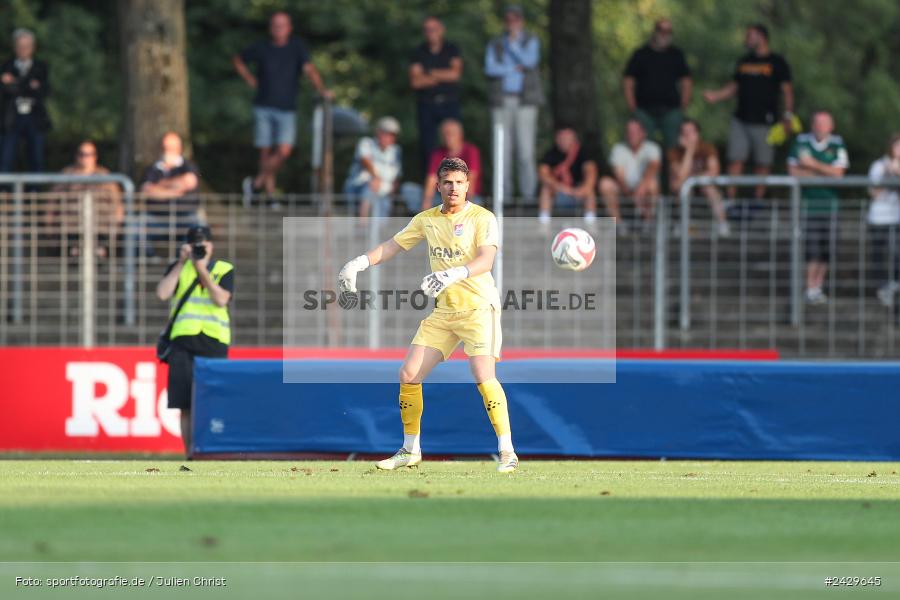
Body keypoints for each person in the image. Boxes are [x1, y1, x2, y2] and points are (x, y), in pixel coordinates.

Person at [338, 157, 517, 473]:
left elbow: (486, 260)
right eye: (447, 182)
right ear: (438, 186)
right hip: (445, 311)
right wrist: (359, 264)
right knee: (408, 374)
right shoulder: (427, 219)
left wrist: (454, 274)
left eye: (459, 182)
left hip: (478, 308)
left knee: (482, 374)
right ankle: (410, 449)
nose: (453, 188)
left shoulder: (482, 217)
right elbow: (392, 246)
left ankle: (507, 451)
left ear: (468, 185)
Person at [233, 11, 333, 203]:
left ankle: (255, 184)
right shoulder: (261, 47)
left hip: (287, 108)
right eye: (275, 25)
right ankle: (269, 196)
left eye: (282, 25)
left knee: (283, 151)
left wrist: (321, 90)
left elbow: (309, 70)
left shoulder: (296, 47)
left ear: (289, 28)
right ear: (271, 28)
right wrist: (249, 79)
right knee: (265, 153)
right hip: (263, 105)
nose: (279, 29)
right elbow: (238, 60)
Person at [155, 225, 234, 457]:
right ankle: (190, 454)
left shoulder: (223, 268)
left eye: (203, 243)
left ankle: (212, 450)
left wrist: (202, 270)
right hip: (183, 342)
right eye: (194, 243)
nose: (200, 247)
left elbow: (221, 299)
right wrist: (181, 263)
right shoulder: (180, 268)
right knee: (185, 404)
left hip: (213, 341)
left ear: (211, 245)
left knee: (214, 402)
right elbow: (162, 293)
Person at [703, 24, 794, 201]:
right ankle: (731, 201)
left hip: (766, 122)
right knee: (735, 159)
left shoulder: (777, 62)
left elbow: (787, 91)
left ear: (761, 37)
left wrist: (788, 116)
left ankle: (757, 203)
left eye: (750, 35)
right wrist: (716, 95)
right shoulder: (744, 61)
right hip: (741, 119)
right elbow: (734, 86)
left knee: (763, 163)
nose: (746, 39)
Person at [787, 112, 848, 305]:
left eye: (825, 123)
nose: (821, 127)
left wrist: (812, 164)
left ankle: (817, 286)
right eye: (818, 123)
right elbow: (794, 172)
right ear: (812, 125)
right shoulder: (802, 141)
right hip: (808, 207)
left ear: (831, 126)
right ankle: (810, 287)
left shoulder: (837, 144)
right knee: (811, 250)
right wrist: (824, 172)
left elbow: (838, 174)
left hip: (830, 207)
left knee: (828, 250)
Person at [485, 5, 544, 202]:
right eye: (509, 20)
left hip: (525, 102)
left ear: (522, 21)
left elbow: (530, 62)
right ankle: (504, 198)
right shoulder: (495, 43)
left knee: (526, 151)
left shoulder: (531, 40)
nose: (512, 23)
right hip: (501, 102)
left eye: (516, 19)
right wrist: (514, 67)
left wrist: (512, 47)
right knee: (502, 152)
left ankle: (529, 198)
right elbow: (491, 68)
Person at [623, 18, 691, 151]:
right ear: (654, 31)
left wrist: (682, 107)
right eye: (661, 30)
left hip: (671, 110)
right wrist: (633, 108)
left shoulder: (677, 55)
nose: (665, 33)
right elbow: (628, 82)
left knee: (674, 149)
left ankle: (674, 172)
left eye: (669, 31)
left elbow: (686, 82)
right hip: (644, 111)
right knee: (644, 149)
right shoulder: (640, 54)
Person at [51, 141, 123, 258]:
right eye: (82, 154)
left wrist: (116, 229)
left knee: (99, 253)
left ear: (95, 156)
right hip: (72, 227)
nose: (85, 158)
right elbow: (52, 202)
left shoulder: (105, 176)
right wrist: (50, 228)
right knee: (73, 253)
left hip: (100, 227)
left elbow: (117, 203)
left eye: (89, 154)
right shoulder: (66, 174)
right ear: (76, 156)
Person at [410, 16, 463, 175]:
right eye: (427, 29)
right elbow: (416, 82)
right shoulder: (418, 52)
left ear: (441, 30)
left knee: (453, 144)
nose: (430, 32)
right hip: (427, 104)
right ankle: (432, 186)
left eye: (434, 29)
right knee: (428, 147)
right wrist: (443, 75)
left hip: (449, 103)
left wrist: (430, 73)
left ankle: (456, 179)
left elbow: (455, 75)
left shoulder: (451, 48)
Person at [403, 119, 481, 213]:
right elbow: (431, 179)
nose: (447, 137)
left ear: (460, 135)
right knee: (408, 189)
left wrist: (465, 208)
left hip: (465, 197)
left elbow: (471, 179)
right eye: (444, 134)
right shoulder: (437, 153)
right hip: (441, 196)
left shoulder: (471, 151)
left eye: (450, 134)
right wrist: (426, 204)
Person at [668, 119, 730, 237]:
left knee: (710, 188)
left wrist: (692, 179)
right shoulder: (674, 152)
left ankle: (723, 224)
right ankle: (681, 223)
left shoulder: (707, 148)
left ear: (698, 134)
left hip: (702, 185)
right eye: (684, 132)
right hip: (682, 188)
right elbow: (680, 176)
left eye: (690, 132)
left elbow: (714, 172)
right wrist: (689, 151)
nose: (687, 135)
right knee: (683, 188)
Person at [0, 28, 50, 173]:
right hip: (11, 119)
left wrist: (16, 84)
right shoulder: (6, 66)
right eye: (20, 46)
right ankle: (4, 193)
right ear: (15, 47)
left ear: (33, 47)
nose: (23, 50)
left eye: (27, 46)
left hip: (34, 118)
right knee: (6, 158)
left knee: (36, 158)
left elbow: (44, 90)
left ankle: (34, 193)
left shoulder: (41, 67)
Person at [599, 118, 661, 231]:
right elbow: (619, 176)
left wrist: (640, 190)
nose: (632, 135)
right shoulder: (618, 148)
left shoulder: (652, 148)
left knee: (652, 184)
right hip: (624, 189)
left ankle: (648, 224)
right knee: (605, 184)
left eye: (635, 132)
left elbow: (652, 169)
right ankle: (618, 225)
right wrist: (630, 194)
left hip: (643, 188)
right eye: (629, 132)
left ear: (643, 133)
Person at [140, 132, 201, 243]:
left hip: (185, 217)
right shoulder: (152, 168)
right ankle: (151, 259)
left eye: (172, 147)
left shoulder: (188, 166)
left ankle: (183, 260)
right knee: (136, 225)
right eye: (165, 147)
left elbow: (188, 182)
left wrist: (160, 186)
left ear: (179, 148)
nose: (167, 150)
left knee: (198, 227)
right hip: (156, 217)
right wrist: (175, 191)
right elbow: (147, 191)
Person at [342, 117, 403, 219]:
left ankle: (377, 230)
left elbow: (397, 176)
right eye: (386, 133)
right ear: (378, 132)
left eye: (392, 135)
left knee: (384, 209)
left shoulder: (396, 151)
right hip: (358, 188)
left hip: (383, 191)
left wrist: (392, 190)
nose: (389, 137)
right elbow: (364, 160)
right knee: (370, 188)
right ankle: (362, 225)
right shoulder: (366, 143)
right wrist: (376, 177)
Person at [537, 126, 598, 227]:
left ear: (574, 139)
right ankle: (543, 226)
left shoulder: (583, 153)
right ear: (557, 139)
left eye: (567, 138)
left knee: (590, 192)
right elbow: (543, 174)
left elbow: (591, 172)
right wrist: (562, 188)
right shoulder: (550, 153)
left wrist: (583, 190)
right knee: (546, 189)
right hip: (558, 192)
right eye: (561, 138)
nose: (564, 141)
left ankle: (591, 225)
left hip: (578, 192)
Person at [867, 134, 900, 306]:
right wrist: (888, 174)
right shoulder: (878, 165)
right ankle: (882, 287)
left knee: (897, 255)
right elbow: (873, 193)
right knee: (879, 255)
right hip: (879, 218)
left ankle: (895, 285)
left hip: (897, 218)